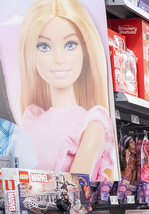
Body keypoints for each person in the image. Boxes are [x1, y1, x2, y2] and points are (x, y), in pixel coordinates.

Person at [19, 0, 116, 181]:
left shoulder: (92, 125)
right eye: (44, 46)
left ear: (86, 48)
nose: (59, 59)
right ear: (30, 52)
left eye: (70, 45)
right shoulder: (31, 121)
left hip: (65, 208)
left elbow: (73, 194)